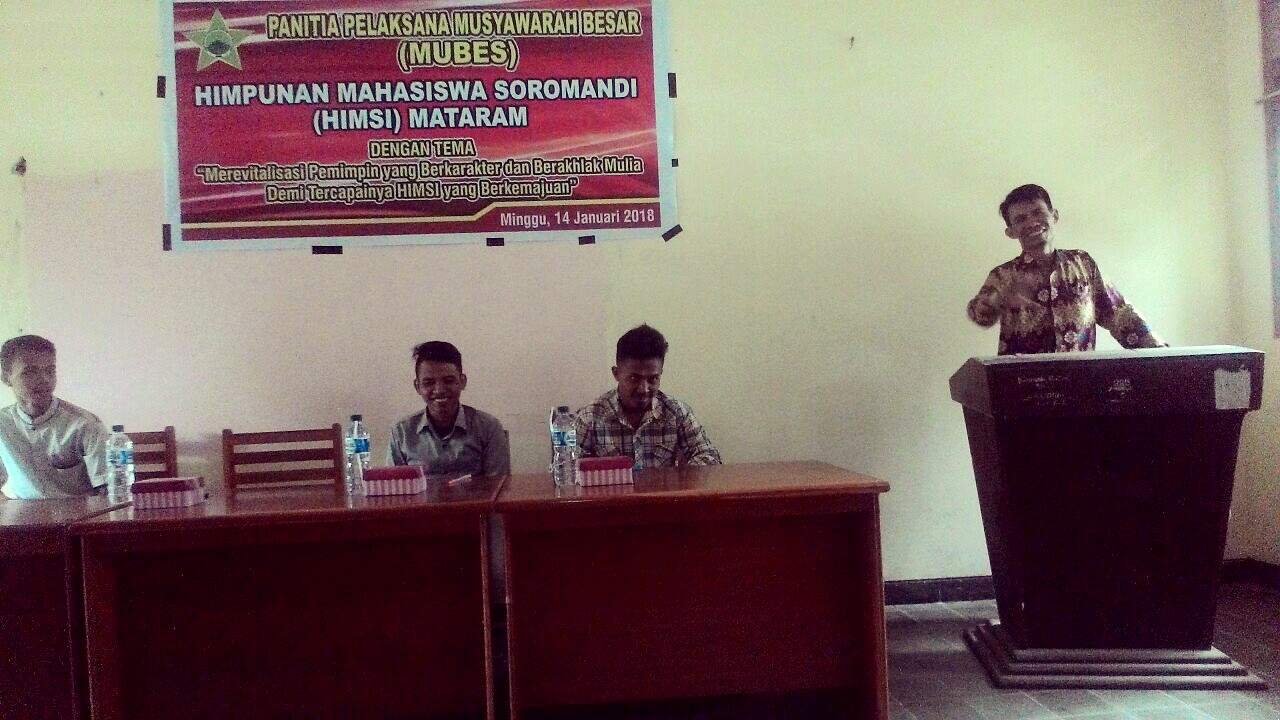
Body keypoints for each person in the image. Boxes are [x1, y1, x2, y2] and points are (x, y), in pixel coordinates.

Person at [967, 184, 1166, 355]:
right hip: (1022, 383)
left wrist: (1161, 355)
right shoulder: (1002, 276)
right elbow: (981, 316)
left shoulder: (1084, 264)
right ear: (1010, 232)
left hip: (1081, 381)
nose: (1031, 222)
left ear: (1054, 216)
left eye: (1038, 212)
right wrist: (992, 302)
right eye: (1020, 219)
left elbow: (1118, 314)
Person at [575, 324, 721, 468]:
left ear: (660, 374)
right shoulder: (590, 418)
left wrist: (683, 475)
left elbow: (709, 456)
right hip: (613, 486)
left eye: (653, 379)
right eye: (634, 378)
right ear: (616, 373)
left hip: (665, 485)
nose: (643, 389)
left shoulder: (676, 412)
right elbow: (569, 468)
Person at [0, 335, 109, 499]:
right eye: (30, 372)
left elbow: (107, 492)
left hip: (76, 513)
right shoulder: (3, 424)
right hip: (18, 512)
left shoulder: (85, 425)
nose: (44, 379)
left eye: (50, 371)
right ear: (5, 377)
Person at [387, 341, 510, 477]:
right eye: (429, 383)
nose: (439, 390)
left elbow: (499, 485)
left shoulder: (488, 428)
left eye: (448, 381)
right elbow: (394, 487)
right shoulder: (401, 433)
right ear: (417, 386)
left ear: (462, 382)